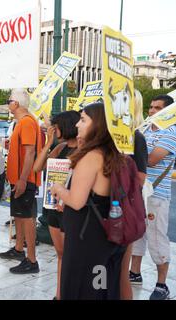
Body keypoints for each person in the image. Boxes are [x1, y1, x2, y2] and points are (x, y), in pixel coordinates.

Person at [51, 102, 126, 300]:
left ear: (98, 125)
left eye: (83, 120)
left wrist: (58, 189)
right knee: (99, 286)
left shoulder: (92, 157)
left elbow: (76, 201)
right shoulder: (112, 153)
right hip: (103, 235)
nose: (77, 125)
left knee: (79, 287)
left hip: (86, 237)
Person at [130, 94, 176, 300]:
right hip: (139, 192)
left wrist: (133, 155)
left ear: (168, 113)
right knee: (137, 233)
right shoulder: (145, 129)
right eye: (150, 107)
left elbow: (152, 160)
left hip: (157, 195)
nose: (152, 112)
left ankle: (161, 285)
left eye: (158, 108)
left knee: (157, 238)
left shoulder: (172, 132)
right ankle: (135, 272)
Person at [32, 110, 80, 300]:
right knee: (61, 254)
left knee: (71, 256)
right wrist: (47, 143)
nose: (53, 128)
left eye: (56, 126)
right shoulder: (60, 148)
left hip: (70, 206)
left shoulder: (83, 151)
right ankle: (59, 294)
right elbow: (38, 168)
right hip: (53, 206)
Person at [0, 89, 42, 275]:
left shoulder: (26, 122)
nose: (8, 104)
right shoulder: (23, 123)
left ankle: (31, 259)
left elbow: (30, 152)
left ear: (15, 104)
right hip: (19, 178)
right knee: (19, 215)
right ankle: (18, 249)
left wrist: (23, 179)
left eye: (9, 101)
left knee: (27, 218)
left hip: (25, 179)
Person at [119, 90, 148, 300]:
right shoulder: (105, 135)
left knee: (120, 270)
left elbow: (140, 178)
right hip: (99, 208)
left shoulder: (136, 138)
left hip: (123, 209)